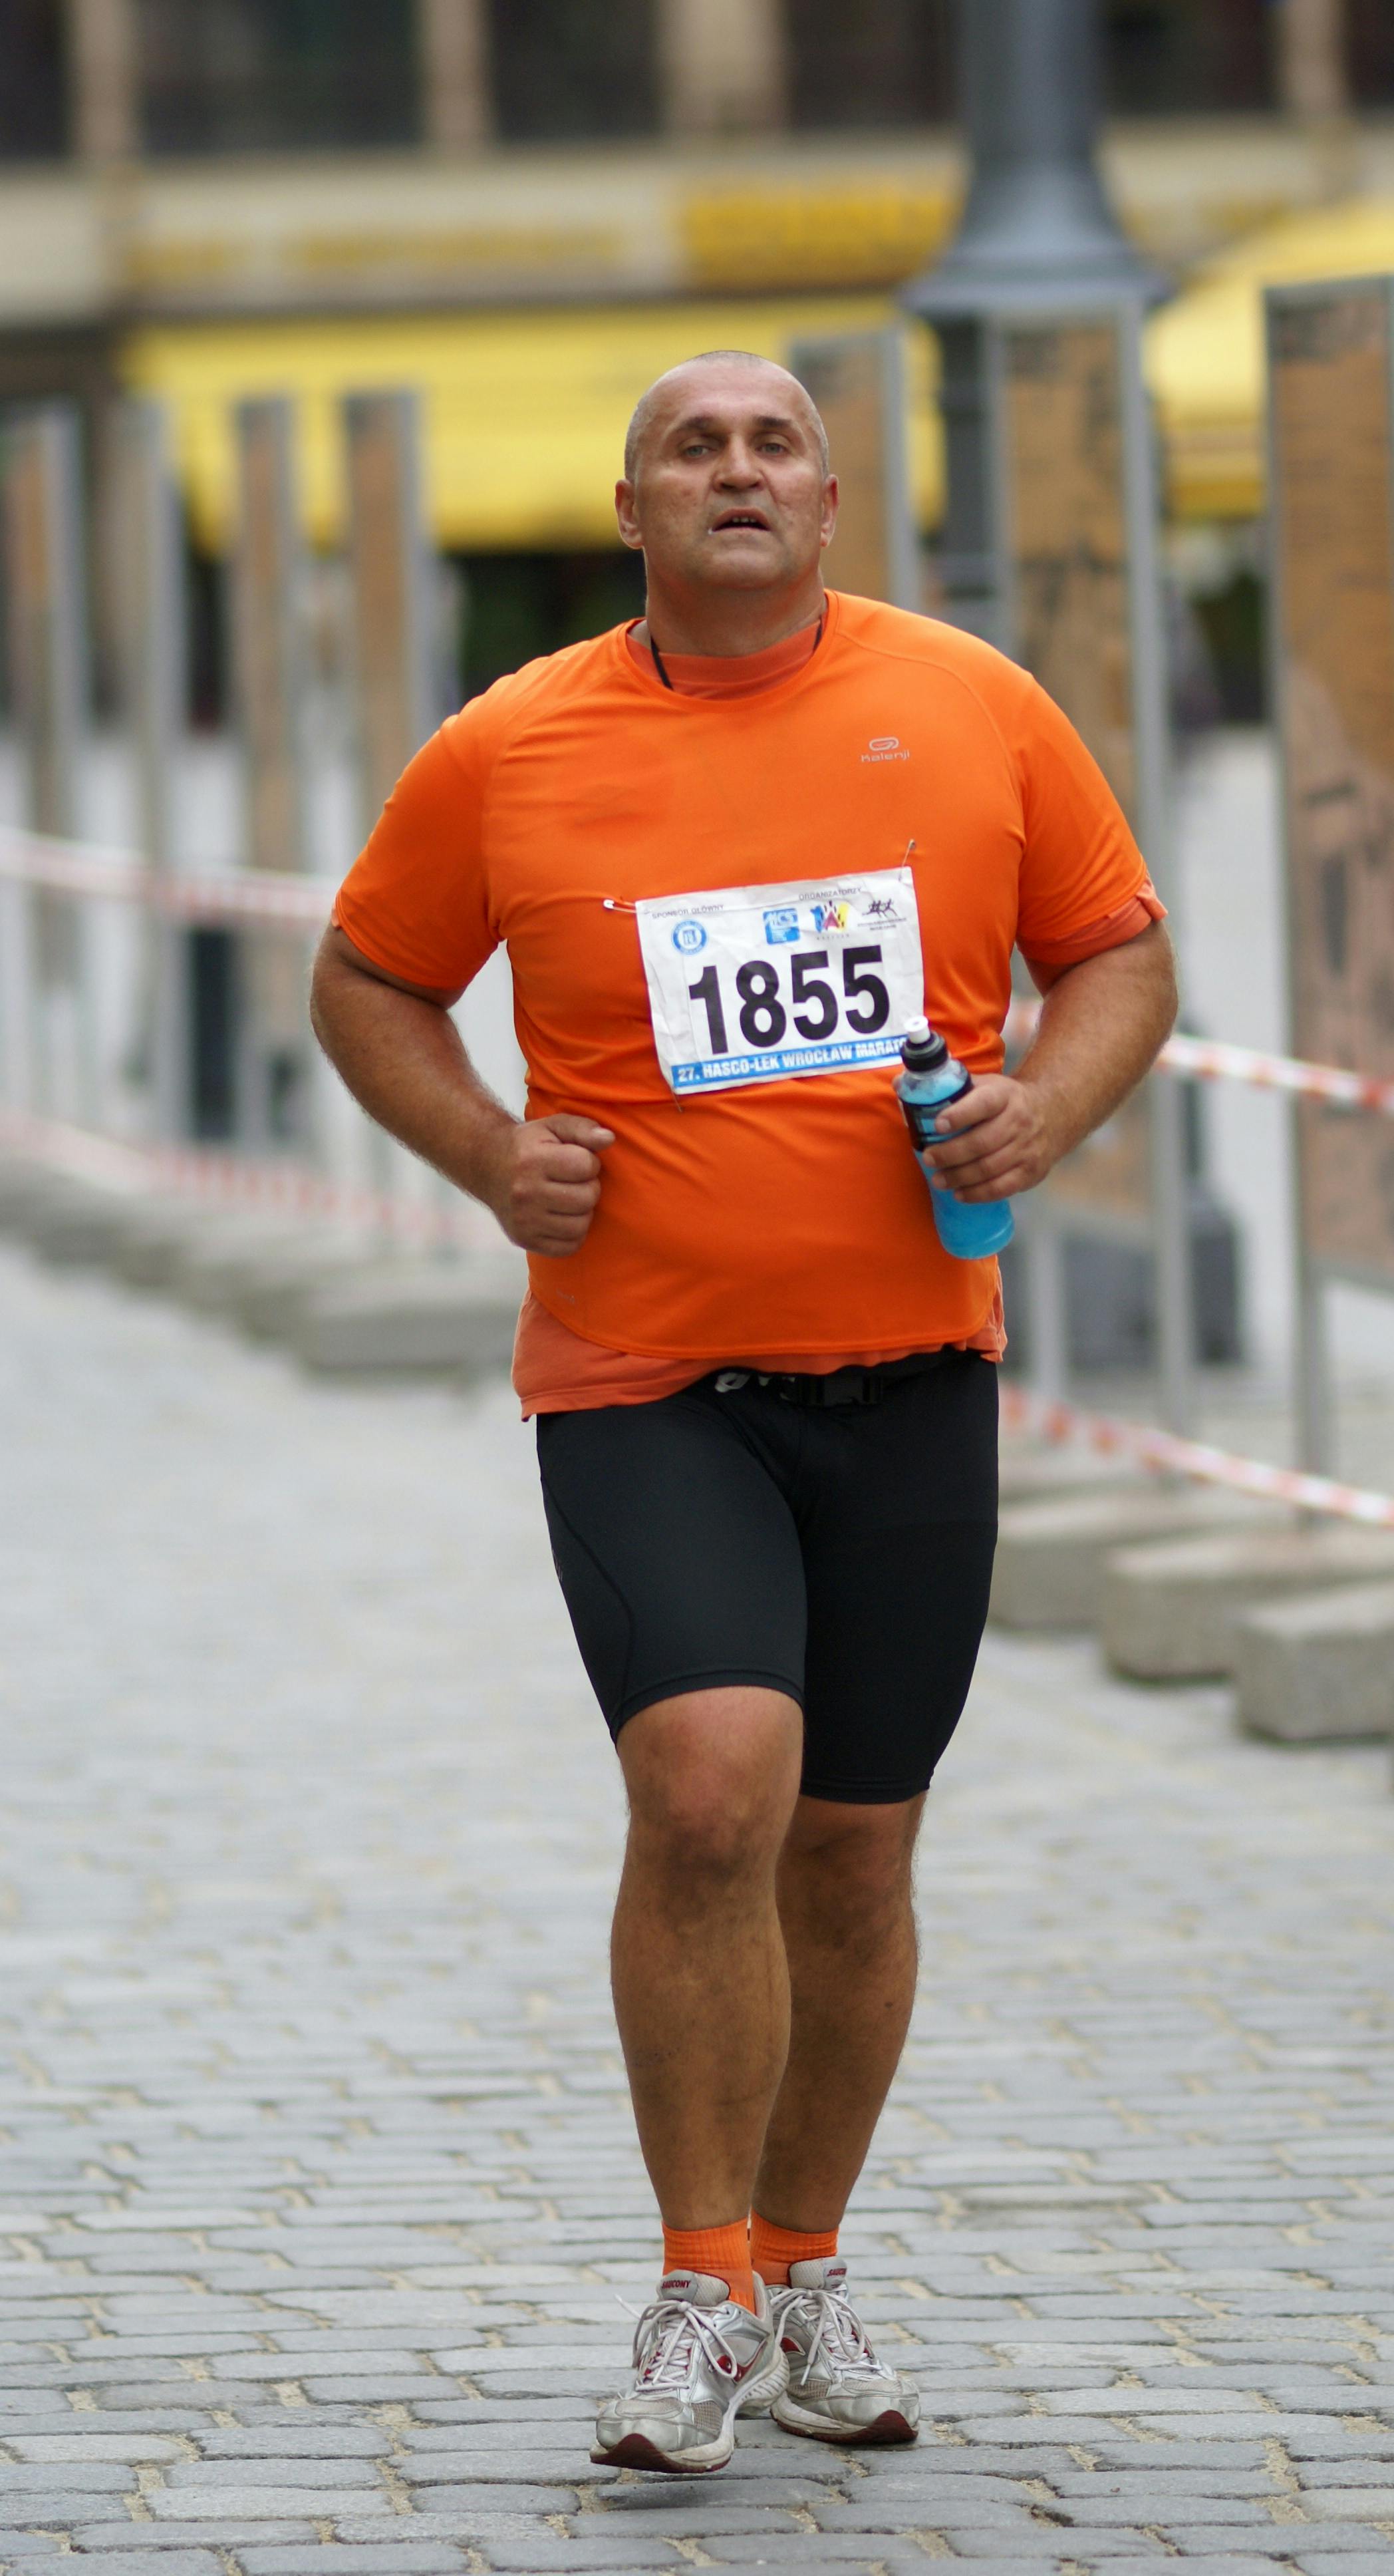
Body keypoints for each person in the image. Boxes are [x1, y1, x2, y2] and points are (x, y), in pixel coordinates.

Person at [311, 349, 1177, 2477]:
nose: (734, 470)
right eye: (692, 446)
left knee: (859, 1853)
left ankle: (804, 2264)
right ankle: (696, 2288)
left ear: (829, 498)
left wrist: (1041, 1110)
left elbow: (1124, 955)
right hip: (646, 1375)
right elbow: (364, 977)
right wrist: (486, 1151)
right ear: (631, 507)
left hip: (912, 1372)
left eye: (772, 442)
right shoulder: (512, 747)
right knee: (714, 1793)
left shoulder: (971, 705)